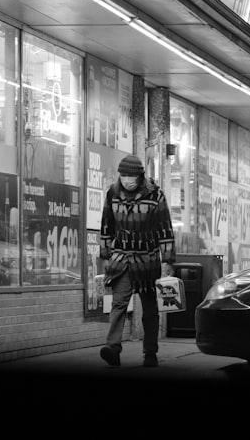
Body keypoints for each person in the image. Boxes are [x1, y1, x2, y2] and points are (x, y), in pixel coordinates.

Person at [99, 154, 176, 367]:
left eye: (130, 175)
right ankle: (113, 347)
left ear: (139, 176)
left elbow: (165, 228)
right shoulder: (112, 194)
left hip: (147, 260)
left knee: (150, 309)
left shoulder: (155, 196)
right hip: (121, 259)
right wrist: (105, 255)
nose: (126, 179)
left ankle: (150, 352)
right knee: (119, 303)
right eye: (123, 175)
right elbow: (107, 226)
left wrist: (168, 260)